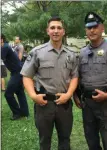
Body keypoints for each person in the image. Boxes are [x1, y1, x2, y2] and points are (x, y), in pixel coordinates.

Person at [20, 16, 78, 150]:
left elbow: (75, 76)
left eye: (59, 28)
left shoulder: (71, 54)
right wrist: (33, 96)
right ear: (47, 31)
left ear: (64, 31)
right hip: (44, 104)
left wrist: (69, 94)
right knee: (44, 140)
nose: (56, 31)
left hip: (64, 103)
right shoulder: (37, 52)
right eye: (52, 28)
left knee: (65, 139)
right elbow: (27, 76)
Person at [73, 12, 107, 150]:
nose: (92, 30)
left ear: (102, 28)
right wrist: (75, 95)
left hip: (106, 104)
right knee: (91, 140)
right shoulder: (82, 52)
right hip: (87, 104)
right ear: (85, 30)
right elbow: (77, 77)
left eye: (95, 26)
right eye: (89, 27)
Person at [1, 34, 29, 120]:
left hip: (17, 72)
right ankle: (24, 112)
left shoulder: (4, 47)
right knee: (19, 92)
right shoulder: (5, 46)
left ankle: (17, 113)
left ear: (1, 39)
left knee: (8, 94)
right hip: (17, 71)